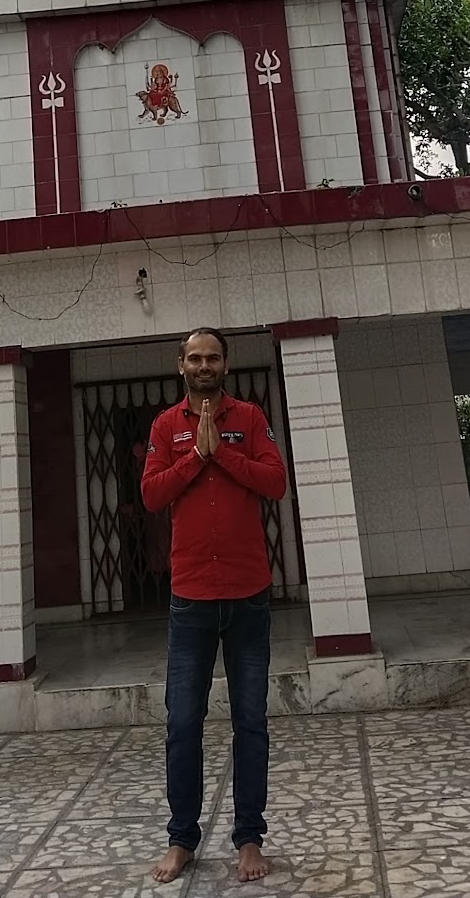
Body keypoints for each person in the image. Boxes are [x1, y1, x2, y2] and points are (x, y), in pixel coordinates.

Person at [141, 327, 287, 885]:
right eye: (195, 358)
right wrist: (193, 458)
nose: (204, 365)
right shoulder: (164, 426)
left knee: (251, 722)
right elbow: (153, 494)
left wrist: (220, 453)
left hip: (248, 598)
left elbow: (274, 482)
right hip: (191, 602)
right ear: (181, 365)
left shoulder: (249, 419)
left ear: (225, 364)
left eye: (213, 357)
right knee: (183, 723)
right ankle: (182, 839)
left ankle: (249, 837)